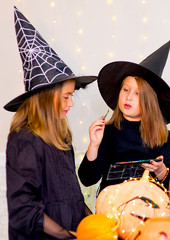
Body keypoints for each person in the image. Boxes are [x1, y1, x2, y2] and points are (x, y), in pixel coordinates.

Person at [4, 7, 97, 240]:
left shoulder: (62, 138)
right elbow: (25, 210)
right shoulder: (25, 140)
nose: (70, 104)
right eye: (66, 96)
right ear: (46, 98)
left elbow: (73, 198)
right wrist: (67, 236)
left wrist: (95, 224)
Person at [78, 40, 170, 193]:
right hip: (112, 204)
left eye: (137, 93)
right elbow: (87, 179)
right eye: (126, 90)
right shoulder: (108, 132)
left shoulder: (161, 136)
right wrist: (94, 145)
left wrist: (161, 170)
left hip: (147, 204)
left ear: (149, 102)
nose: (129, 97)